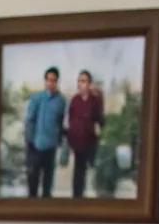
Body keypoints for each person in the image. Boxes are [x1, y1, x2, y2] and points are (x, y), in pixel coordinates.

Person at [24, 66, 66, 198]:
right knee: (33, 182)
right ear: (45, 81)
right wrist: (30, 142)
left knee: (47, 185)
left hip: (51, 147)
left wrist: (59, 141)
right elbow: (30, 120)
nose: (50, 83)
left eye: (53, 80)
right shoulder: (37, 98)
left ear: (57, 82)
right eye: (48, 80)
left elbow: (60, 122)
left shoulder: (61, 100)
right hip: (36, 146)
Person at [65, 68, 105, 198]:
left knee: (90, 169)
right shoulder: (75, 100)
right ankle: (77, 196)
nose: (82, 84)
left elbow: (99, 119)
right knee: (78, 171)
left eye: (84, 81)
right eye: (80, 81)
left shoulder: (95, 100)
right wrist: (70, 138)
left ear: (89, 83)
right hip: (77, 141)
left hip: (90, 141)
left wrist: (101, 131)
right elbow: (70, 119)